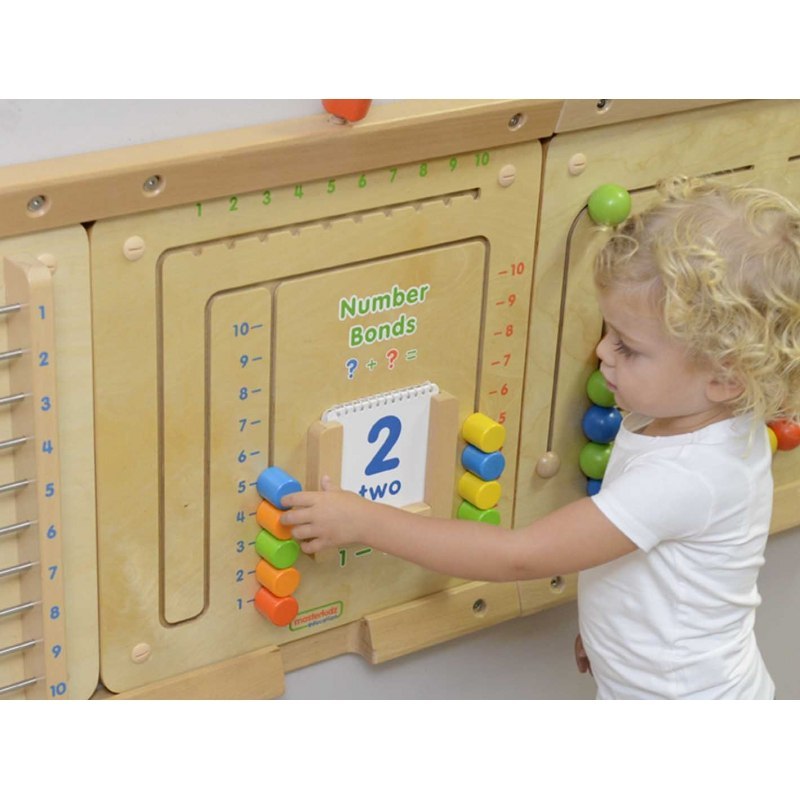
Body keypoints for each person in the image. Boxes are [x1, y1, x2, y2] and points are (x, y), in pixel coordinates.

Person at [282, 176, 800, 699]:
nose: (603, 352)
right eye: (609, 332)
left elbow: (520, 556)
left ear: (726, 377)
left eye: (628, 347)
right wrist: (613, 634)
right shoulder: (701, 417)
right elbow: (670, 566)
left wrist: (364, 520)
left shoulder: (688, 476)